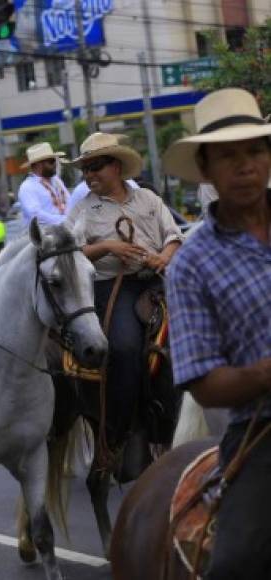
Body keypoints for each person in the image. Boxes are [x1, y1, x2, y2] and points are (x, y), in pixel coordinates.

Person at [162, 88, 271, 580]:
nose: (245, 165)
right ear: (205, 171)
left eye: (255, 150)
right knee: (237, 564)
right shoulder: (192, 266)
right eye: (228, 156)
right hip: (264, 428)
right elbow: (203, 382)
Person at [66, 132, 183, 435]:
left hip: (157, 280)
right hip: (113, 286)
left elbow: (173, 236)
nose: (89, 175)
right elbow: (71, 253)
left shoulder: (148, 198)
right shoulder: (82, 210)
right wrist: (108, 247)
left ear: (116, 167)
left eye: (96, 166)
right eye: (85, 169)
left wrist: (163, 257)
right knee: (125, 347)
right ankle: (122, 428)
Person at [17, 142, 71, 226]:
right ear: (38, 164)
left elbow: (69, 202)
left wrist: (71, 218)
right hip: (44, 236)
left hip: (66, 230)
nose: (55, 164)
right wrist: (63, 220)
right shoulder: (27, 187)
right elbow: (35, 215)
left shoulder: (56, 180)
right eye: (51, 161)